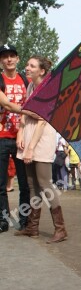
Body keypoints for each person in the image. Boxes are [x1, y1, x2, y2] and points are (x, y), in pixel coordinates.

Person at [15, 55, 67, 242]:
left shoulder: (48, 89)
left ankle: (60, 229)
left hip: (42, 138)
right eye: (27, 64)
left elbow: (42, 120)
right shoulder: (30, 86)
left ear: (42, 71)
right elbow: (26, 112)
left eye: (32, 66)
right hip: (29, 134)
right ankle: (32, 227)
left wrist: (30, 148)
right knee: (31, 185)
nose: (27, 68)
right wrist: (21, 134)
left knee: (45, 183)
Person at [0, 44, 30, 232]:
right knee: (1, 184)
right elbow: (6, 104)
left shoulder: (26, 81)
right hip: (2, 137)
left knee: (25, 184)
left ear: (18, 59)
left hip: (22, 137)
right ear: (1, 61)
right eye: (5, 56)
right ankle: (3, 220)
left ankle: (24, 219)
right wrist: (29, 110)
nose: (9, 59)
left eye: (12, 56)